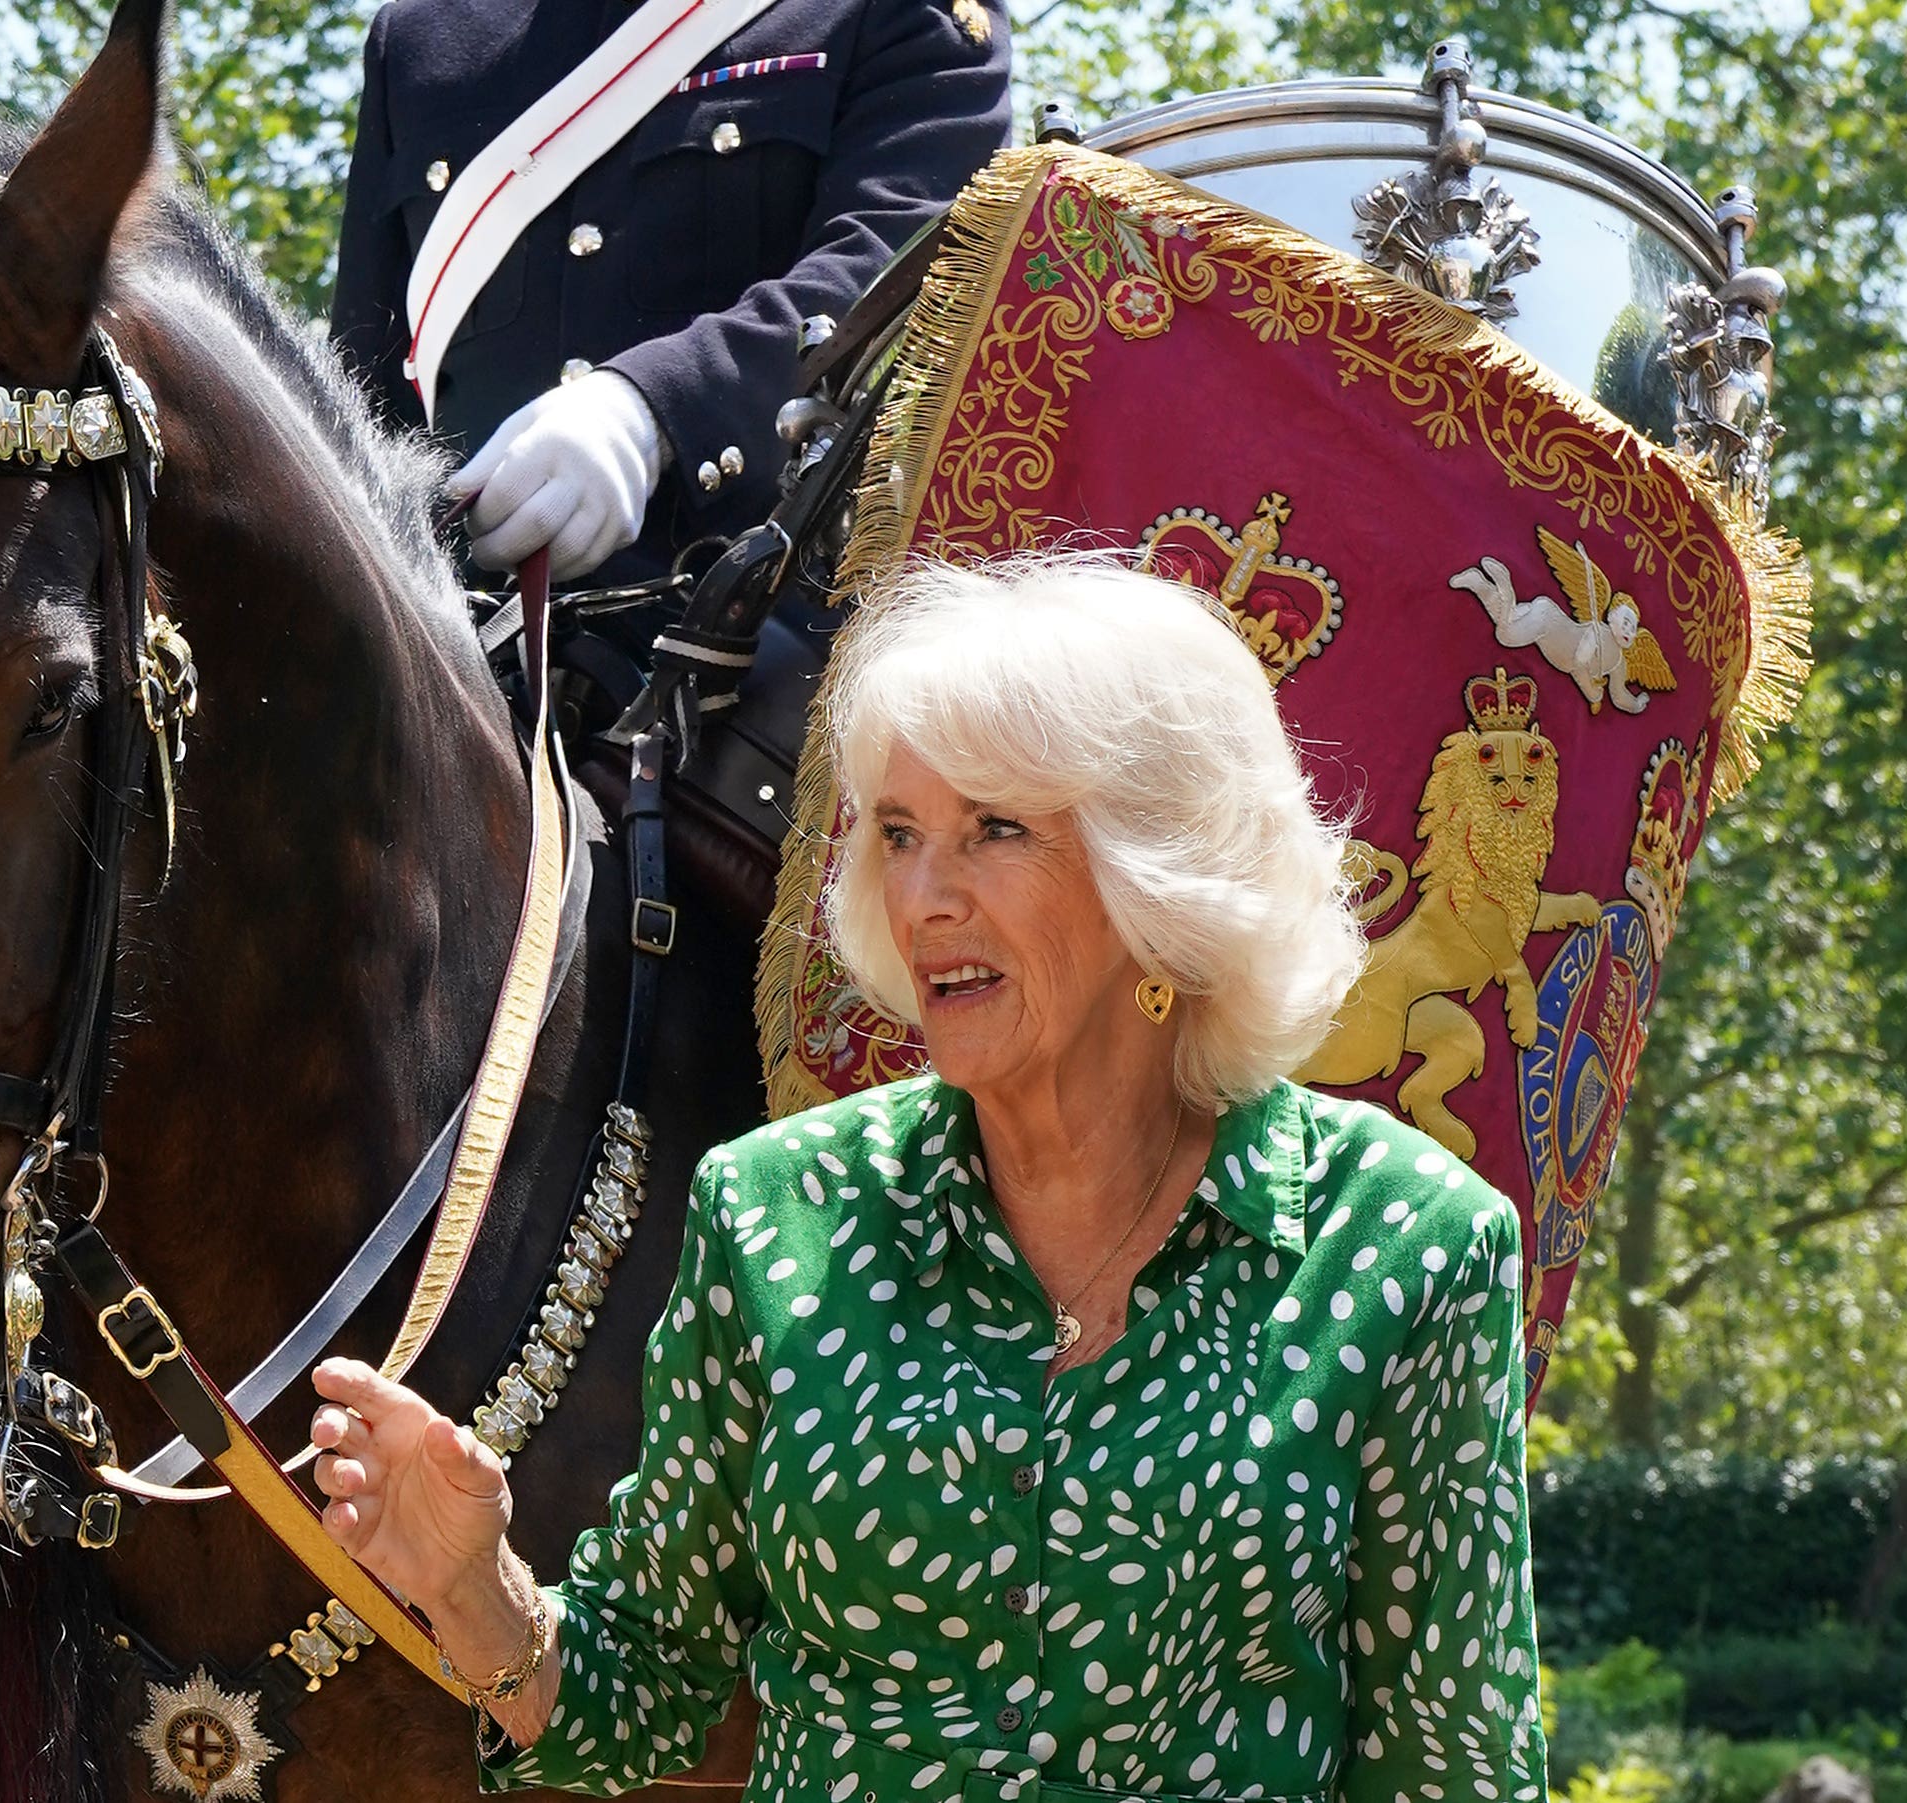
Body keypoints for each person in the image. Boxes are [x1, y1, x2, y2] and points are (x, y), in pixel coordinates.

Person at [310, 551, 1551, 1800]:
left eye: (993, 831)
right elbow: (632, 1704)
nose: (922, 898)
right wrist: (471, 1587)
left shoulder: (1410, 1243)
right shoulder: (774, 1213)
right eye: (898, 836)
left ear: (1159, 873)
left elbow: (1454, 1768)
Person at [328, 0, 1012, 585]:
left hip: (757, 613)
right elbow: (364, 389)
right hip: (454, 631)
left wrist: (654, 408)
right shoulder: (420, 36)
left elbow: (899, 266)